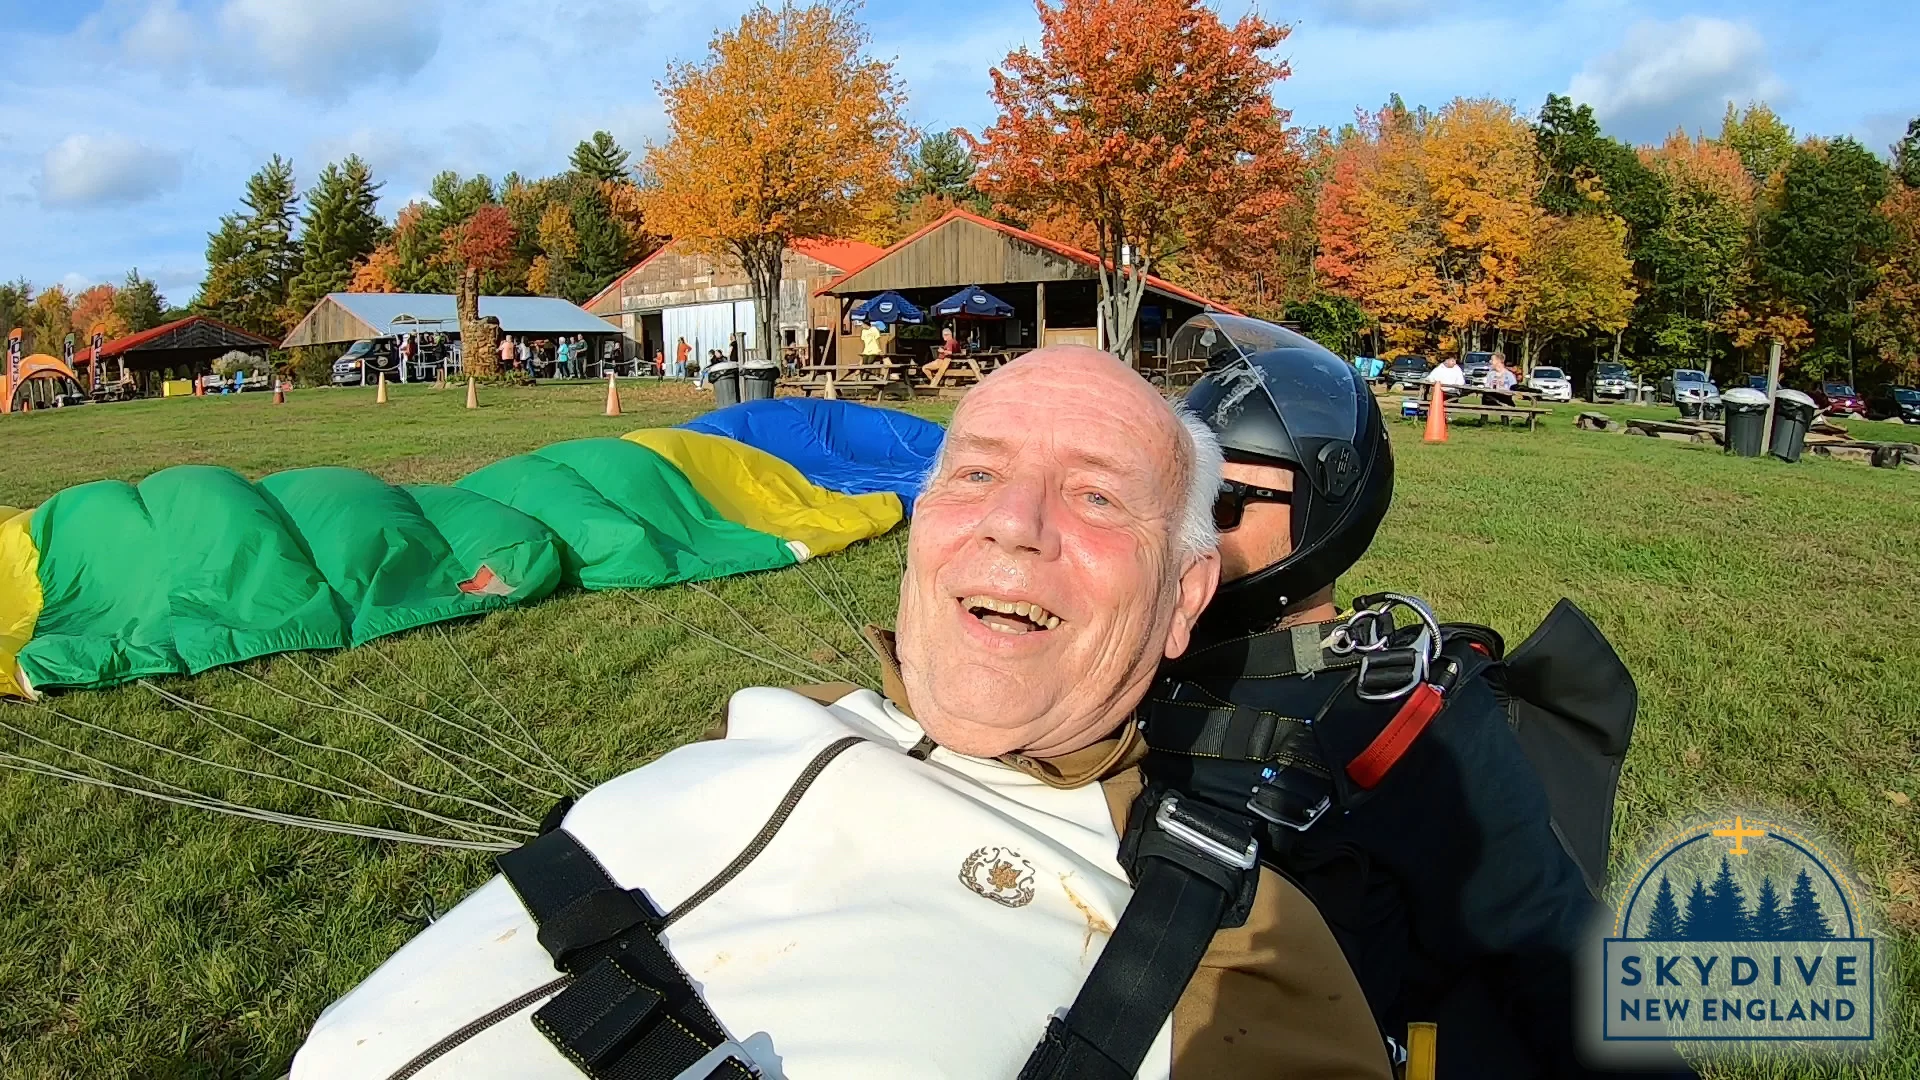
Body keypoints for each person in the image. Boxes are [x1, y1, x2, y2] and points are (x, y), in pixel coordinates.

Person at [292, 346, 1395, 1080]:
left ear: (1183, 599)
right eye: (972, 475)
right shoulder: (770, 723)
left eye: (1099, 496)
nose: (1012, 522)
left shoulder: (1228, 944)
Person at [1149, 313, 1684, 1079]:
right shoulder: (1130, 653)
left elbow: (1558, 948)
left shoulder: (1404, 717)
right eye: (1177, 497)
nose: (1187, 533)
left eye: (1224, 503)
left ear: (1322, 513)